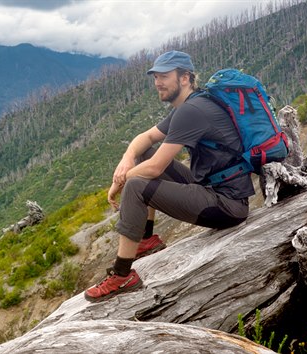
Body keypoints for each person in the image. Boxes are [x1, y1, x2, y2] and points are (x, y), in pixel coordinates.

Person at [84, 50, 254, 302]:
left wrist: (120, 181)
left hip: (227, 205)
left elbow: (154, 170)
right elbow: (146, 138)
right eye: (155, 77)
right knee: (143, 156)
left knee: (136, 186)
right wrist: (126, 160)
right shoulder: (190, 105)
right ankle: (146, 240)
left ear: (185, 78)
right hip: (210, 188)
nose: (157, 83)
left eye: (164, 76)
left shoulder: (192, 111)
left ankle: (122, 276)